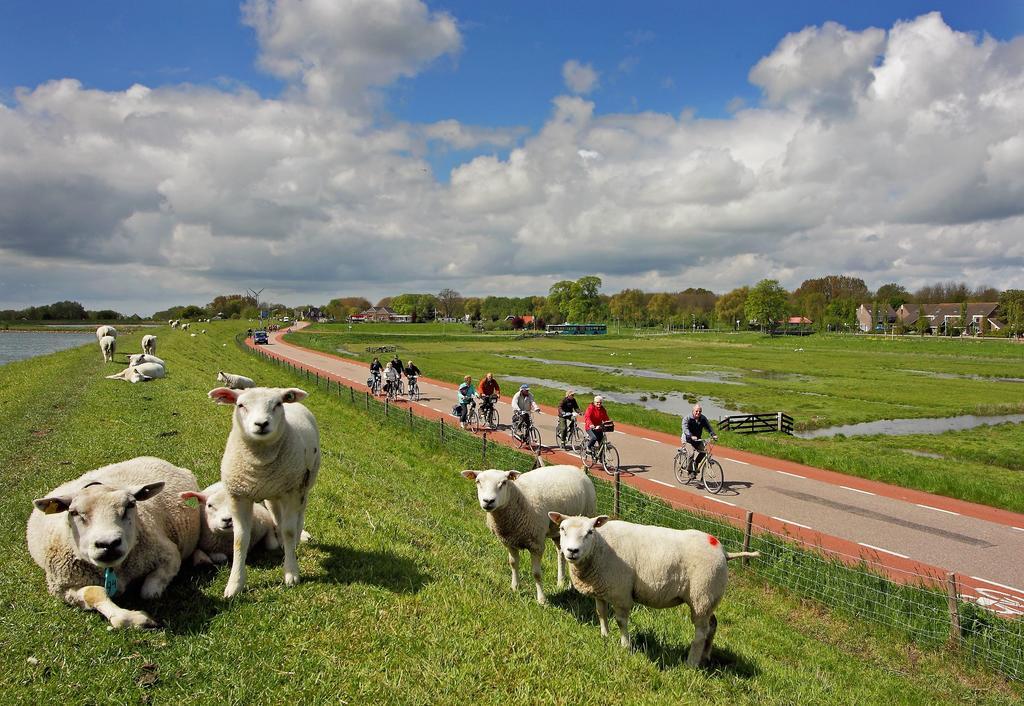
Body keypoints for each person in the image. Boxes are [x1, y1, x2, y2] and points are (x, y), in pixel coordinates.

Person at [682, 403, 718, 478]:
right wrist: (691, 436)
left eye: (700, 411)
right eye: (696, 411)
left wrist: (713, 434)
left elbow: (708, 427)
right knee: (691, 454)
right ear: (693, 411)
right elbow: (685, 429)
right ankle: (690, 471)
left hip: (697, 440)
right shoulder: (687, 418)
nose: (698, 413)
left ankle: (695, 464)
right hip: (687, 439)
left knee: (704, 452)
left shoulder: (703, 418)